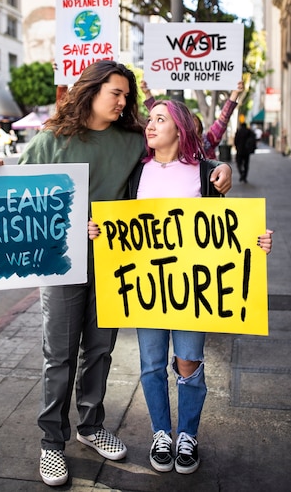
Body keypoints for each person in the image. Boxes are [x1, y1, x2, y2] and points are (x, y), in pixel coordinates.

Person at [0, 61, 233, 487]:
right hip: (61, 260)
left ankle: (90, 426)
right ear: (91, 91)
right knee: (59, 355)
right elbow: (18, 192)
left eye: (127, 96)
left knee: (100, 351)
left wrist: (218, 167)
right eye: (116, 93)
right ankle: (51, 443)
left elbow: (181, 156)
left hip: (113, 263)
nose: (124, 101)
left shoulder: (132, 141)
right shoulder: (50, 140)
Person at [89, 99, 273, 476]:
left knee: (189, 363)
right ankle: (161, 433)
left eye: (160, 119)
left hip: (193, 293)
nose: (151, 125)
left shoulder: (205, 173)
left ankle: (187, 435)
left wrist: (258, 240)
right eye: (150, 119)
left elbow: (224, 232)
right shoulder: (135, 174)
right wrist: (98, 230)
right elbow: (119, 225)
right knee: (152, 365)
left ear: (180, 128)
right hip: (147, 288)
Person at [139, 80, 244, 160]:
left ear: (200, 128)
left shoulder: (208, 141)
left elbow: (223, 118)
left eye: (194, 125)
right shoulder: (175, 148)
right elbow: (159, 114)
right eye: (187, 125)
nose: (190, 128)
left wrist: (235, 94)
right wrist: (147, 93)